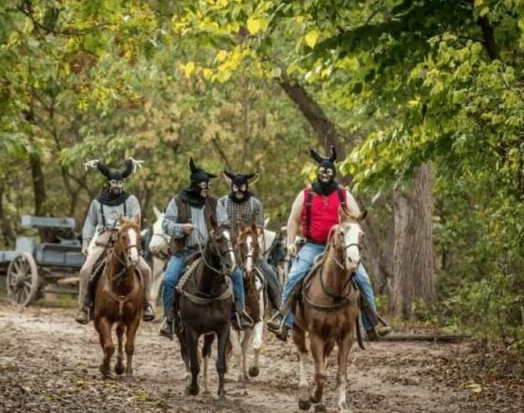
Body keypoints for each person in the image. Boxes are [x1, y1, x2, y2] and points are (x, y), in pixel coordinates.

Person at [266, 146, 392, 341]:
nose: (325, 175)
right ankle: (284, 320)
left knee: (363, 278)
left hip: (340, 248)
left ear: (333, 173)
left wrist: (350, 226)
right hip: (313, 245)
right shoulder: (305, 195)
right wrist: (291, 243)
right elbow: (293, 220)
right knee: (295, 274)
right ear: (318, 173)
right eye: (322, 172)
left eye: (329, 172)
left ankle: (372, 324)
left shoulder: (344, 195)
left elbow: (356, 219)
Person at [158, 158, 254, 339]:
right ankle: (169, 319)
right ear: (194, 185)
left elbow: (225, 224)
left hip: (212, 252)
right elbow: (165, 224)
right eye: (203, 186)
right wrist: (180, 229)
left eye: (208, 186)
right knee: (170, 279)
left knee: (236, 274)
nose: (206, 189)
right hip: (184, 250)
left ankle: (240, 313)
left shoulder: (215, 203)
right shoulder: (177, 201)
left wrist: (218, 232)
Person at [76, 158, 154, 324]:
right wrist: (85, 242)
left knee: (146, 270)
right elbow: (90, 223)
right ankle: (84, 307)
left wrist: (127, 229)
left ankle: (147, 305)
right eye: (114, 182)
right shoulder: (97, 203)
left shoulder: (131, 201)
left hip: (126, 239)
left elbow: (136, 221)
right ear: (109, 183)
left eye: (120, 182)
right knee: (85, 270)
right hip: (104, 239)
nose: (117, 186)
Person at [218, 170, 282, 314]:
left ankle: (279, 308)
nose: (239, 192)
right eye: (236, 188)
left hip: (249, 248)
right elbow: (219, 225)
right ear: (232, 187)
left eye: (242, 188)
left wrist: (248, 235)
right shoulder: (222, 203)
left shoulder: (255, 204)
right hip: (228, 249)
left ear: (247, 187)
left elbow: (259, 226)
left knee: (270, 272)